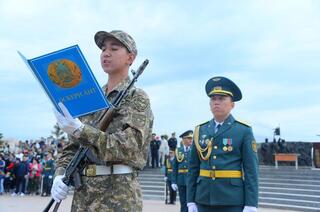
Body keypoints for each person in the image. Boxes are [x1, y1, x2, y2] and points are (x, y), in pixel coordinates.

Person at [52, 30, 154, 211]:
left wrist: (81, 130)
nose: (106, 53)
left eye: (114, 48)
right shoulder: (92, 99)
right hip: (84, 196)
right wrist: (60, 175)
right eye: (103, 49)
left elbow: (129, 146)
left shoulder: (136, 98)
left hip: (117, 195)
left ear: (130, 58)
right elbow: (73, 147)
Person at [187, 76, 259, 212]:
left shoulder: (243, 130)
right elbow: (193, 168)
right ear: (209, 104)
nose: (216, 103)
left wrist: (251, 203)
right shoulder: (200, 130)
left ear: (232, 104)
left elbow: (251, 170)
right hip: (203, 198)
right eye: (213, 99)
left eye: (221, 99)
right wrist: (190, 200)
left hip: (231, 199)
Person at [171, 130, 193, 212]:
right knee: (183, 202)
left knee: (190, 202)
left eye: (191, 138)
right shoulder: (178, 150)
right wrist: (173, 181)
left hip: (191, 180)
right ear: (183, 139)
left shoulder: (194, 150)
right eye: (188, 138)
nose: (191, 140)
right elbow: (175, 167)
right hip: (181, 180)